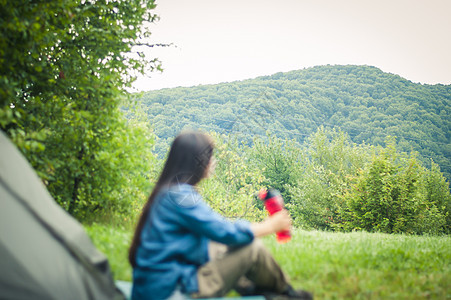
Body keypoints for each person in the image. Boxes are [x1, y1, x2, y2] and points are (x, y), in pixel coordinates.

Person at [129, 131, 312, 300]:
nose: (213, 162)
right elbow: (225, 232)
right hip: (170, 292)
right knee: (252, 248)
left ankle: (260, 290)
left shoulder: (169, 192)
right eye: (210, 157)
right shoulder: (181, 196)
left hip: (154, 287)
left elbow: (216, 230)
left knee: (219, 245)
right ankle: (287, 293)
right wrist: (270, 226)